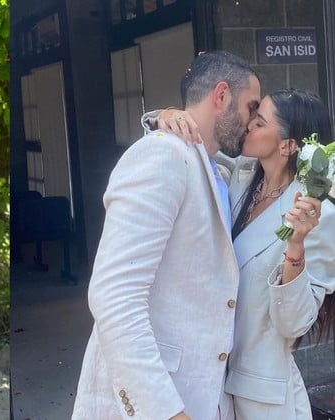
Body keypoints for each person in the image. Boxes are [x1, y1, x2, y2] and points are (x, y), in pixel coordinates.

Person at [72, 50, 261, 420]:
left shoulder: (219, 169)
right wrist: (165, 412)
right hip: (157, 402)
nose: (253, 121)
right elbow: (115, 295)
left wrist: (160, 115)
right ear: (221, 95)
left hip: (204, 394)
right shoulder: (162, 156)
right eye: (251, 107)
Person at [153, 89, 335, 419]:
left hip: (263, 396)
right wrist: (165, 116)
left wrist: (295, 246)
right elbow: (191, 148)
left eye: (260, 122)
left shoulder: (316, 212)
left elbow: (294, 324)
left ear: (287, 146)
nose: (248, 124)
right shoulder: (240, 174)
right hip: (210, 380)